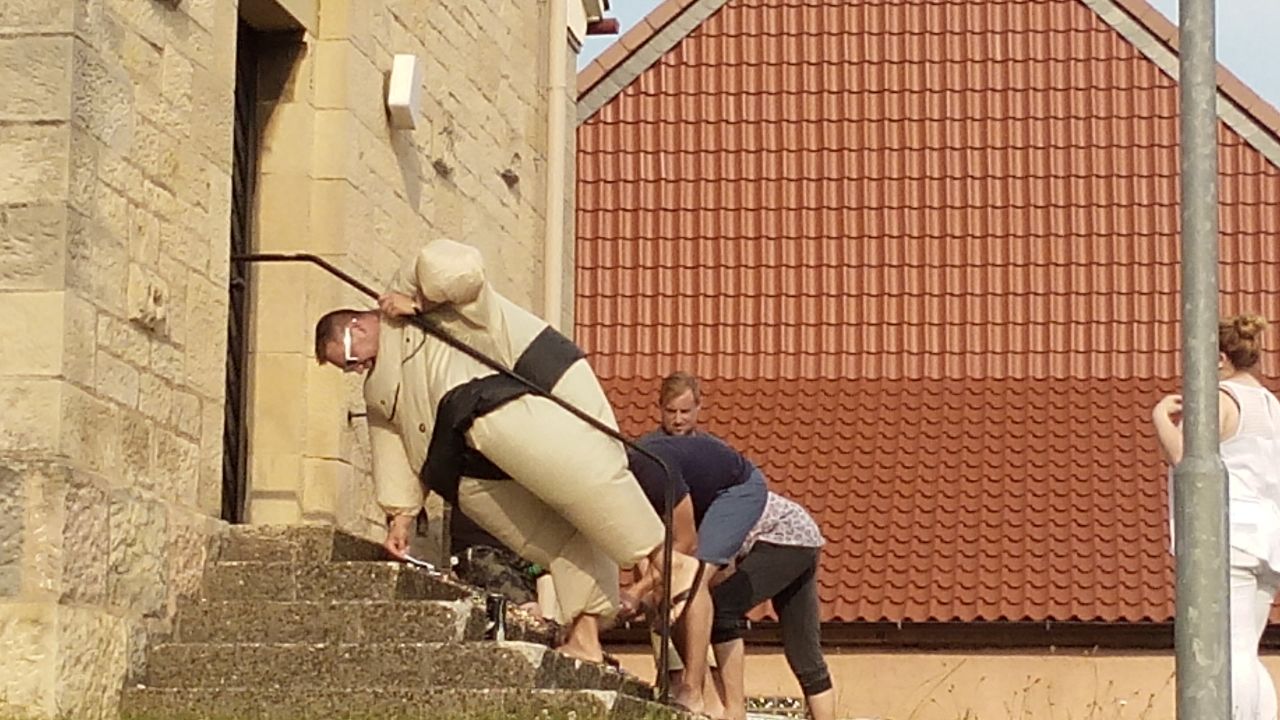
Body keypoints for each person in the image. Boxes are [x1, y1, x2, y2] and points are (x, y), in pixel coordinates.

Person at [312, 238, 700, 665]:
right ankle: (586, 636)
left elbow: (459, 269)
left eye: (349, 358)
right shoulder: (380, 393)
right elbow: (391, 447)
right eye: (346, 368)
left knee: (575, 475)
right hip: (465, 465)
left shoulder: (424, 302)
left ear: (357, 328)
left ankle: (665, 559)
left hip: (512, 401)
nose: (354, 369)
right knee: (554, 538)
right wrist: (401, 516)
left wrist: (418, 301)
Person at [1152, 313, 1280, 720]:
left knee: (1227, 648)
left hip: (1226, 536)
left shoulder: (1218, 400)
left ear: (1221, 358)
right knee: (1247, 648)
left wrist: (1159, 418)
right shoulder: (1271, 406)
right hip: (1267, 539)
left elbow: (1186, 459)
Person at [624, 434, 769, 714]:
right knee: (666, 592)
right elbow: (645, 550)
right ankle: (710, 703)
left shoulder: (652, 471)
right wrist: (649, 590)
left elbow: (685, 543)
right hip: (701, 499)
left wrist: (638, 591)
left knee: (693, 579)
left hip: (737, 491)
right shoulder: (624, 488)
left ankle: (692, 688)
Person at [710, 492, 834, 720]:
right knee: (804, 652)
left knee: (721, 610)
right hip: (802, 534)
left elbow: (718, 569)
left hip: (782, 535)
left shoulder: (695, 506)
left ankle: (734, 711)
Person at [641, 371, 712, 440]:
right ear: (660, 407)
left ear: (698, 406)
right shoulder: (642, 447)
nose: (678, 420)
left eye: (684, 412)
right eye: (671, 412)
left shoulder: (712, 447)